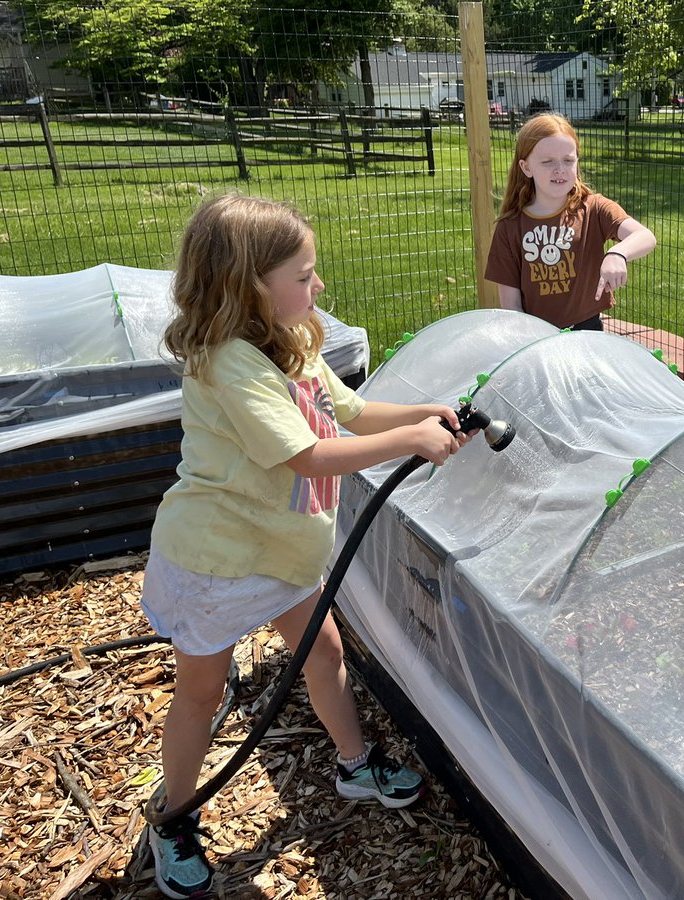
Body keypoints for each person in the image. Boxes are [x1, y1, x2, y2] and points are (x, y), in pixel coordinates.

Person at [140, 193, 469, 898]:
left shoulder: (289, 340)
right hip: (217, 563)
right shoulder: (230, 363)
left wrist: (424, 411)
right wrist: (412, 442)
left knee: (323, 652)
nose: (318, 286)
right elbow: (308, 456)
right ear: (250, 282)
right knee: (199, 693)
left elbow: (346, 411)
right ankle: (172, 818)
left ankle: (353, 764)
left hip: (281, 553)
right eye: (305, 273)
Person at [485, 112, 657, 331]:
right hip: (536, 336)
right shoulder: (509, 227)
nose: (560, 170)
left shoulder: (595, 208)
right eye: (547, 162)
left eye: (568, 160)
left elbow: (645, 237)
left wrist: (617, 253)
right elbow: (512, 307)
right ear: (526, 167)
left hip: (588, 331)